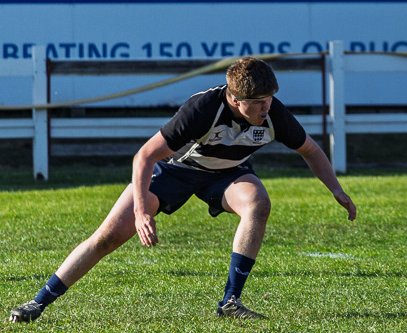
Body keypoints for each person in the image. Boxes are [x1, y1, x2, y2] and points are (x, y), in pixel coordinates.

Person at [9, 56, 357, 323]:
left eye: (270, 100)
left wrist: (336, 190)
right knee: (107, 237)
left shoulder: (274, 114)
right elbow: (144, 156)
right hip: (176, 171)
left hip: (226, 173)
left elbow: (310, 150)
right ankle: (38, 302)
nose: (268, 108)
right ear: (236, 100)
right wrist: (142, 211)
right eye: (259, 103)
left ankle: (230, 302)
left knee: (258, 203)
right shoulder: (202, 109)